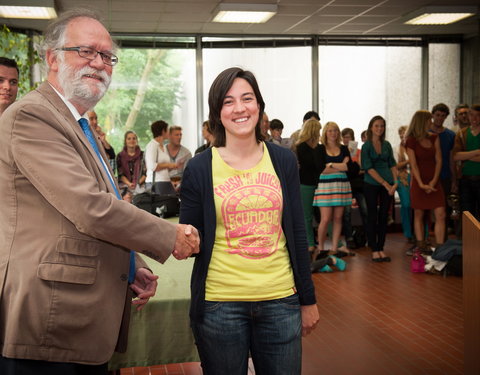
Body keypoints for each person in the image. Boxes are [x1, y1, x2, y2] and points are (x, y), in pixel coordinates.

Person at [0, 9, 199, 374]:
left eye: (107, 56)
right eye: (86, 51)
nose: (100, 63)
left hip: (76, 318)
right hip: (48, 321)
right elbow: (88, 207)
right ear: (52, 59)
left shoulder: (77, 124)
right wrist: (168, 234)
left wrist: (130, 263)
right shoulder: (32, 116)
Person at [179, 67, 319, 374]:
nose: (239, 108)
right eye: (228, 101)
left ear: (259, 106)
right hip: (220, 304)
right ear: (217, 111)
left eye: (247, 98)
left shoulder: (282, 161)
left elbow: (297, 232)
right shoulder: (200, 167)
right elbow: (189, 237)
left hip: (281, 300)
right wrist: (177, 240)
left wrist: (308, 299)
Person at [406, 110, 445, 253]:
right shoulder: (411, 140)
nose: (432, 122)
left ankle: (441, 248)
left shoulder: (435, 138)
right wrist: (421, 184)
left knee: (441, 213)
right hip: (419, 182)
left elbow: (439, 160)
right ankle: (421, 245)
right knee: (419, 214)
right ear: (423, 121)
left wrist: (434, 182)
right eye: (429, 120)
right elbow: (413, 164)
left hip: (434, 180)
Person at [313, 121, 353, 260]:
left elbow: (348, 167)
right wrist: (340, 165)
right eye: (330, 130)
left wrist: (330, 164)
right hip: (325, 186)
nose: (333, 133)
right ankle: (321, 248)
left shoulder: (344, 148)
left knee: (337, 218)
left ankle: (335, 248)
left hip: (341, 186)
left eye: (335, 130)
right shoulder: (319, 148)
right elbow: (321, 169)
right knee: (325, 219)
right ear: (325, 133)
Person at [361, 115, 397, 262]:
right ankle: (374, 249)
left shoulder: (387, 144)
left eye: (382, 126)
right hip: (372, 183)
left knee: (384, 217)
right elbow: (368, 168)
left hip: (388, 184)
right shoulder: (366, 146)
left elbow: (392, 164)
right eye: (376, 126)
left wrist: (395, 183)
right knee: (372, 216)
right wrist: (386, 184)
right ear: (371, 127)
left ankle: (381, 248)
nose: (379, 129)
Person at [294, 118, 324, 253]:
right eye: (318, 130)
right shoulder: (301, 147)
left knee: (323, 214)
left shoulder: (319, 147)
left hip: (318, 183)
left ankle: (318, 241)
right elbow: (314, 165)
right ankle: (310, 243)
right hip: (306, 184)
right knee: (307, 216)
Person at [429, 103, 456, 238]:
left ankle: (443, 242)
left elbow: (452, 159)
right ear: (433, 115)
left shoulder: (450, 135)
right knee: (424, 210)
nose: (440, 118)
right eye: (437, 115)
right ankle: (421, 242)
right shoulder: (425, 132)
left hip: (444, 175)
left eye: (443, 116)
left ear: (446, 117)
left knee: (443, 210)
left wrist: (454, 180)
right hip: (427, 176)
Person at [341, 127, 367, 249]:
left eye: (349, 137)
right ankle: (349, 238)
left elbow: (362, 168)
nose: (346, 139)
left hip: (358, 185)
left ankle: (367, 235)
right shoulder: (340, 151)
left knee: (365, 210)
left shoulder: (359, 152)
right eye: (345, 137)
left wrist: (353, 159)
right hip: (346, 184)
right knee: (346, 213)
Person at [453, 103, 480, 221]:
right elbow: (456, 156)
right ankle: (469, 239)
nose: (474, 118)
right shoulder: (462, 133)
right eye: (471, 115)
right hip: (465, 179)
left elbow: (461, 155)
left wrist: (466, 156)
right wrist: (477, 152)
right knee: (467, 213)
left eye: (477, 116)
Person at [145, 120, 179, 192]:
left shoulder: (163, 146)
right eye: (167, 130)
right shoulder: (152, 146)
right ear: (163, 131)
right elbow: (152, 166)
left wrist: (173, 166)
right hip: (156, 183)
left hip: (165, 181)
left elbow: (164, 166)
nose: (168, 133)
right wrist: (169, 165)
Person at [395, 125, 413, 243]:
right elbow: (396, 166)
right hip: (402, 178)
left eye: (405, 133)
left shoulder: (415, 147)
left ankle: (422, 234)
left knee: (418, 206)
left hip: (416, 177)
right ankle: (408, 233)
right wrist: (408, 161)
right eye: (400, 133)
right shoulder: (396, 149)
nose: (402, 135)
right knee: (406, 204)